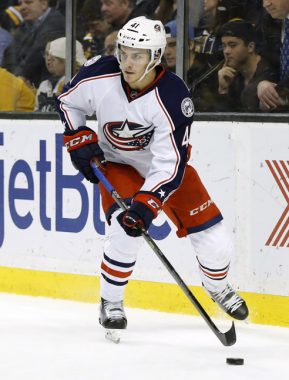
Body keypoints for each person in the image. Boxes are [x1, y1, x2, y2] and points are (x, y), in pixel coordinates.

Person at [56, 16, 249, 333]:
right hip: (118, 163)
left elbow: (169, 163)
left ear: (156, 57)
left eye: (138, 55)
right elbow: (67, 102)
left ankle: (218, 286)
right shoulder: (100, 74)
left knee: (216, 243)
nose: (127, 62)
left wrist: (148, 204)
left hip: (166, 170)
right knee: (123, 229)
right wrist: (77, 137)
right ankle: (111, 301)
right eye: (124, 52)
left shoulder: (173, 97)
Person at [214, 20, 277, 112]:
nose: (226, 51)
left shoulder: (270, 75)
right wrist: (223, 90)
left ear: (250, 47)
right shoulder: (233, 76)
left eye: (232, 45)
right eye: (224, 46)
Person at [2, 0, 65, 87]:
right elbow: (10, 55)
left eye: (28, 2)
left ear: (44, 4)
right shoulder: (25, 26)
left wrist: (13, 80)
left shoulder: (56, 23)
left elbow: (34, 58)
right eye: (20, 3)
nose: (22, 7)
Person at [35, 37, 86, 112]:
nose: (48, 59)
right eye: (46, 54)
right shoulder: (46, 84)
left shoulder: (83, 82)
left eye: (53, 57)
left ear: (67, 60)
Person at [257, 0, 289, 112]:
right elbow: (267, 61)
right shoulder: (269, 21)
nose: (266, 4)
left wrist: (278, 92)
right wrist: (263, 84)